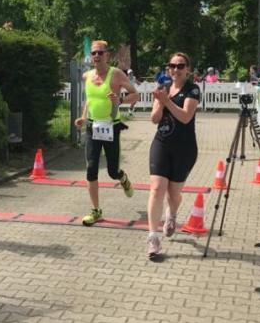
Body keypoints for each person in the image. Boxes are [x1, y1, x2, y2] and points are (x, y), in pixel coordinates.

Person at [74, 40, 139, 225]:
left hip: (111, 126)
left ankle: (122, 177)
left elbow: (136, 94)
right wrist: (83, 117)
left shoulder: (116, 74)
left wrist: (120, 100)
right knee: (91, 168)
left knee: (112, 171)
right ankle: (96, 211)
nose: (96, 56)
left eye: (100, 53)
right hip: (92, 127)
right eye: (94, 53)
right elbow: (89, 100)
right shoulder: (87, 76)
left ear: (107, 55)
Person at [146, 52, 200, 259]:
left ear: (187, 69)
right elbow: (154, 119)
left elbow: (185, 117)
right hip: (161, 143)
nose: (175, 69)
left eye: (180, 66)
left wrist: (166, 101)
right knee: (157, 188)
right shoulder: (163, 87)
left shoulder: (192, 89)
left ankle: (172, 215)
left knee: (173, 193)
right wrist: (160, 102)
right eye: (172, 65)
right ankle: (153, 237)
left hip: (184, 148)